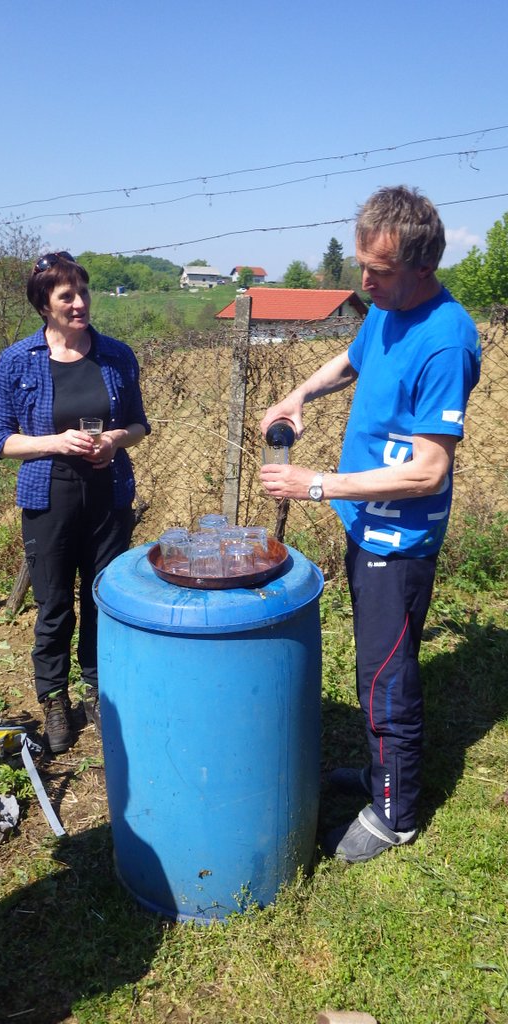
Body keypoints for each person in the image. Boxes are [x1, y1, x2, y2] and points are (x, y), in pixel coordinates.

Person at [260, 186, 481, 863]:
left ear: (423, 266)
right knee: (373, 666)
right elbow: (352, 359)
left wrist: (317, 484)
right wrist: (300, 393)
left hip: (400, 540)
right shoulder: (387, 309)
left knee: (386, 677)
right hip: (366, 524)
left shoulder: (445, 342)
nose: (364, 282)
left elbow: (428, 472)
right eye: (361, 265)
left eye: (378, 271)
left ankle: (395, 814)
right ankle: (381, 772)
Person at [0, 252, 150, 754]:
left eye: (83, 292)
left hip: (108, 496)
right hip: (48, 497)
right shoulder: (18, 360)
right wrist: (55, 442)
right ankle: (54, 698)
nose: (80, 303)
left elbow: (139, 424)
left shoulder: (116, 355)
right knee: (54, 604)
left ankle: (97, 689)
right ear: (44, 305)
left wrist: (115, 439)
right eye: (67, 296)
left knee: (102, 598)